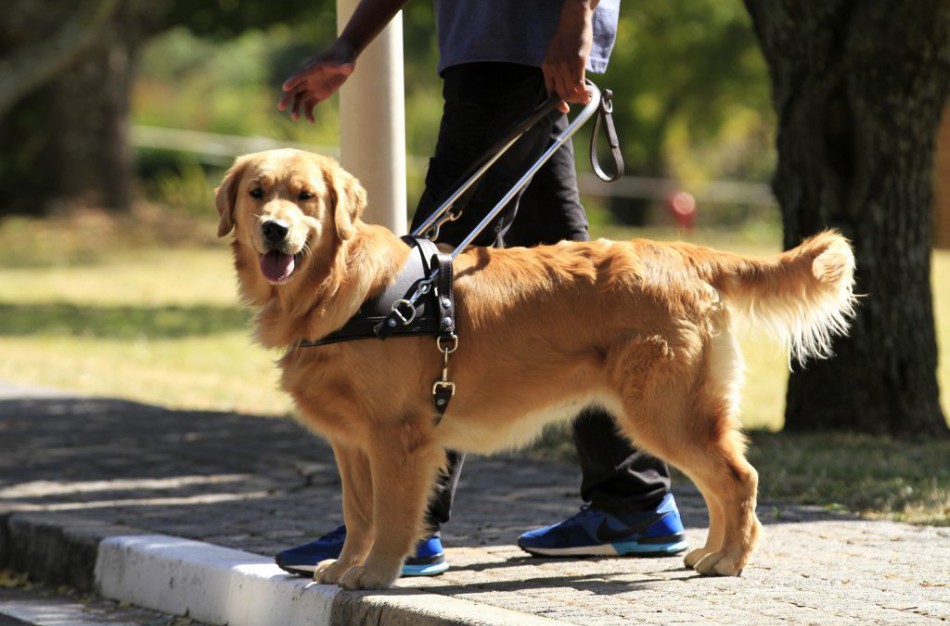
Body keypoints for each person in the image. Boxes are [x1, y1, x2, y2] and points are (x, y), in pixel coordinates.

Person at [275, 0, 688, 578]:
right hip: (497, 46)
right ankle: (633, 501)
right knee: (566, 283)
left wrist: (575, 20)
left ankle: (404, 527)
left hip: (518, 46)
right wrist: (350, 44)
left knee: (420, 281)